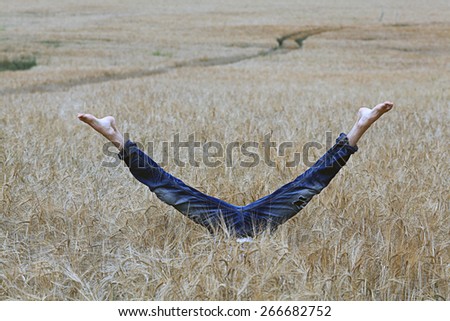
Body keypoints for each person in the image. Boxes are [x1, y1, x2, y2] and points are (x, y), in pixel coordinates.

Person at [78, 101, 393, 239]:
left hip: (229, 226)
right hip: (254, 226)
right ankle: (114, 136)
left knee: (169, 188)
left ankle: (361, 124)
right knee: (307, 185)